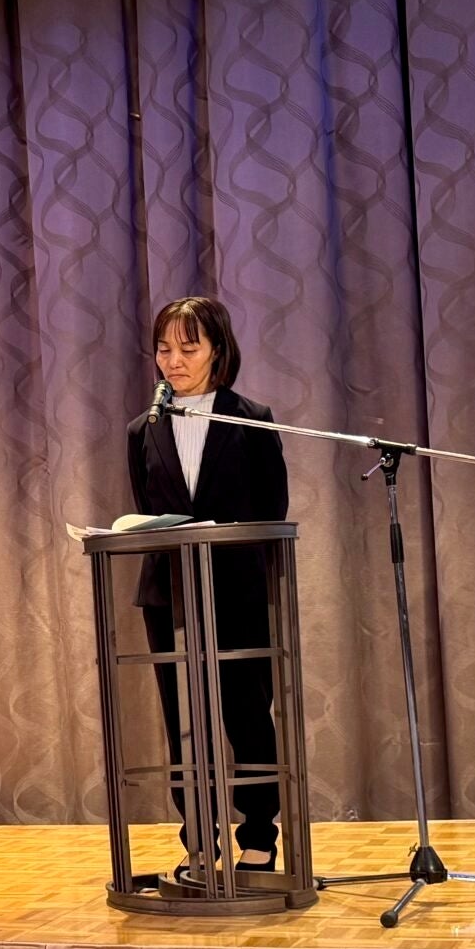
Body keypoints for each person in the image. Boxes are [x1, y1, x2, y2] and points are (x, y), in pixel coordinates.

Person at [124, 296, 289, 872]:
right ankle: (198, 839)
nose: (173, 361)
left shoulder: (250, 418)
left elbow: (272, 511)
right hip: (168, 594)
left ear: (218, 349)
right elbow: (148, 510)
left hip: (237, 590)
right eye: (164, 349)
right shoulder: (143, 428)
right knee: (182, 720)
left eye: (188, 348)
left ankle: (260, 835)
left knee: (247, 712)